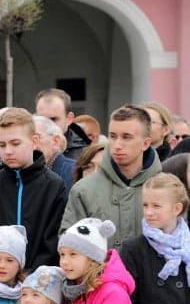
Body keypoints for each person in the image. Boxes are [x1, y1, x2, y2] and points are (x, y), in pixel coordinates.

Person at [0, 108, 67, 271]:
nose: (8, 151)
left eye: (15, 143)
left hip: (39, 286)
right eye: (2, 145)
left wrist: (31, 280)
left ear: (34, 142)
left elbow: (53, 242)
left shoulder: (53, 186)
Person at [61, 104, 162, 249]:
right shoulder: (83, 190)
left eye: (126, 137)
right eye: (113, 136)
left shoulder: (167, 189)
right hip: (99, 271)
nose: (117, 145)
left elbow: (178, 245)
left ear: (146, 143)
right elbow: (68, 245)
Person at [121, 173, 190, 304]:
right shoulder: (134, 249)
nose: (149, 212)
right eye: (145, 205)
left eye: (156, 206)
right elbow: (128, 302)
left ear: (176, 208)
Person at [58, 218, 136, 304]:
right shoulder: (76, 288)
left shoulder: (112, 293)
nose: (64, 261)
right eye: (62, 254)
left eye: (73, 254)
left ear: (92, 259)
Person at [35, 88, 91, 160]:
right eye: (42, 119)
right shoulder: (26, 147)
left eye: (53, 119)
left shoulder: (86, 152)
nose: (47, 124)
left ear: (69, 119)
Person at [33, 115, 76, 191]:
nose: (31, 143)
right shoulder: (20, 173)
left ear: (55, 141)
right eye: (27, 138)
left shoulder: (74, 171)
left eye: (37, 137)